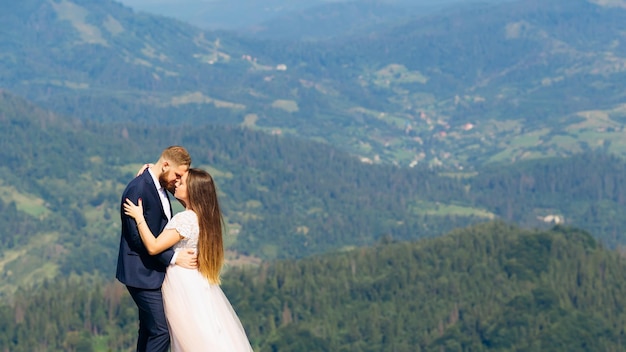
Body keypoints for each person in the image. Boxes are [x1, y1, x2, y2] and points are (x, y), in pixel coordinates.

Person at [124, 168, 254, 351]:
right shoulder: (203, 217)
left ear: (193, 192)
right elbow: (172, 191)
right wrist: (152, 172)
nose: (176, 183)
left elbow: (153, 246)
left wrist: (139, 218)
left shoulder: (185, 219)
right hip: (194, 281)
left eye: (182, 182)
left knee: (183, 336)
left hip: (180, 282)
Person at [116, 146, 196, 352]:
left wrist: (153, 170)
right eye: (177, 175)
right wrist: (173, 257)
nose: (177, 181)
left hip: (152, 272)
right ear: (166, 165)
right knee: (161, 331)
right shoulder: (138, 189)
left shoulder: (158, 182)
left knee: (149, 330)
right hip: (141, 273)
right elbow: (136, 238)